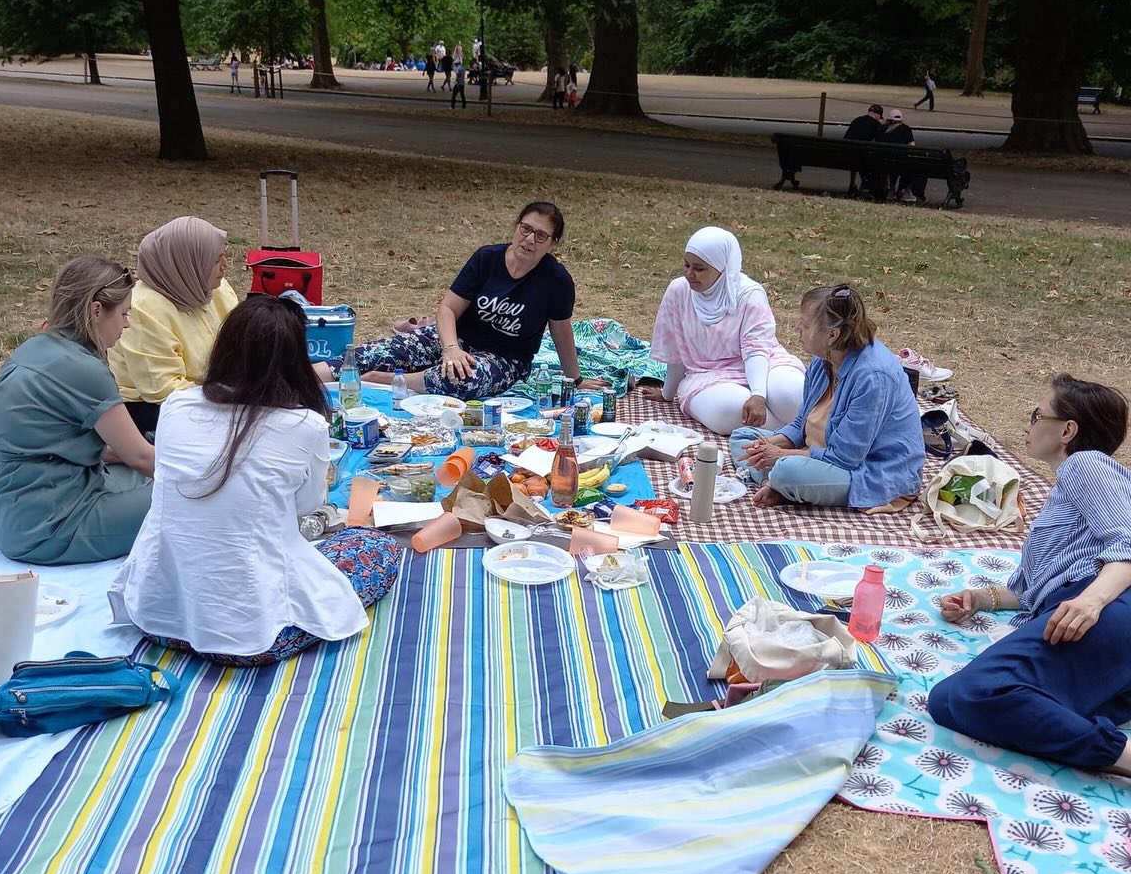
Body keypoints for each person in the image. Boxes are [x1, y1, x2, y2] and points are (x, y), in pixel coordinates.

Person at [109, 296, 398, 667]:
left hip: (155, 614)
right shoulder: (303, 425)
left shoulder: (176, 406)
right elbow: (307, 507)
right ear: (295, 361)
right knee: (374, 547)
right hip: (249, 637)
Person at [928, 376, 1131, 773]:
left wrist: (1091, 600)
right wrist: (981, 599)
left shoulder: (1086, 465)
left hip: (1107, 607)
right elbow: (1032, 589)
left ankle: (1119, 756)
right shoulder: (1072, 486)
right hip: (1090, 616)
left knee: (979, 691)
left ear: (1067, 430)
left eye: (1037, 414)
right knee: (946, 700)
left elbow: (1126, 541)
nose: (1027, 423)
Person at [0, 257, 155, 565]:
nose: (126, 324)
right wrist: (210, 476)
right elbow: (140, 457)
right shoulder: (85, 370)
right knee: (187, 498)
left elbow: (72, 445)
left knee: (148, 479)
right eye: (124, 314)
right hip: (49, 528)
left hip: (11, 513)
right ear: (97, 310)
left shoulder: (34, 348)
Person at [354, 202, 601, 400]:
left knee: (462, 379)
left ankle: (384, 380)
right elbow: (448, 308)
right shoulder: (487, 258)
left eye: (540, 235)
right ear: (516, 227)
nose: (529, 240)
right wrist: (451, 349)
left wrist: (576, 380)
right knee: (370, 354)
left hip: (505, 359)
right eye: (525, 229)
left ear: (552, 244)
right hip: (457, 341)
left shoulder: (557, 280)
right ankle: (317, 377)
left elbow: (561, 333)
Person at [729, 284, 923, 510]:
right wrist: (767, 446)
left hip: (869, 471)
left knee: (786, 470)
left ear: (832, 335)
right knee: (743, 437)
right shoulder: (823, 360)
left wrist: (779, 455)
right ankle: (778, 486)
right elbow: (801, 424)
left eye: (805, 324)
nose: (796, 329)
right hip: (819, 454)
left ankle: (782, 484)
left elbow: (845, 458)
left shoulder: (874, 377)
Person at [642, 227, 805, 435]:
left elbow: (756, 349)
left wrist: (758, 395)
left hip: (765, 363)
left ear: (723, 268)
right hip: (708, 374)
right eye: (686, 265)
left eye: (699, 269)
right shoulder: (679, 291)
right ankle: (796, 432)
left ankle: (797, 429)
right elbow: (677, 351)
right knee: (731, 411)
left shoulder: (749, 294)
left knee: (792, 396)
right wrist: (668, 393)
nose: (689, 274)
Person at [107, 216, 238, 436]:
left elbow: (242, 338)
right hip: (153, 408)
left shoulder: (211, 287)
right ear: (187, 264)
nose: (225, 266)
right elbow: (163, 389)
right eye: (217, 260)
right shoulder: (144, 309)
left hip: (215, 392)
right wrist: (235, 398)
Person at [879, 110, 926, 203]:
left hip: (883, 162)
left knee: (894, 165)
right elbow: (912, 146)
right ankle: (906, 191)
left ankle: (891, 189)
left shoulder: (882, 129)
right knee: (910, 166)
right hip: (900, 162)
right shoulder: (906, 129)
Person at [843, 103, 884, 197]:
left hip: (845, 154)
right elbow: (880, 141)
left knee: (856, 158)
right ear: (877, 114)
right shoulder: (876, 124)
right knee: (870, 160)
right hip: (861, 157)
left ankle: (852, 184)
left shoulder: (857, 120)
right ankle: (867, 186)